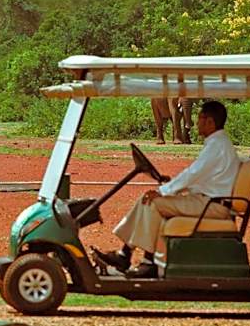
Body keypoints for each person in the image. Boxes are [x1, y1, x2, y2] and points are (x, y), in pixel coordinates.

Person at [94, 100, 240, 278]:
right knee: (147, 199)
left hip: (212, 205)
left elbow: (192, 174)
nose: (197, 121)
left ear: (210, 122)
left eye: (200, 118)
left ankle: (148, 263)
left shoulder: (217, 145)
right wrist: (170, 186)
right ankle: (124, 254)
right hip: (206, 200)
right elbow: (201, 178)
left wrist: (164, 191)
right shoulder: (217, 143)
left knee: (155, 202)